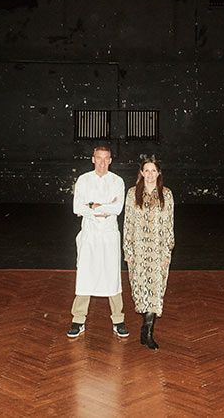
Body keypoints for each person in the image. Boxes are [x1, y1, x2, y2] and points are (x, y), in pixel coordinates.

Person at [67, 145, 129, 339]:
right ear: (93, 159)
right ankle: (78, 320)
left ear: (110, 160)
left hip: (109, 235)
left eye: (106, 158)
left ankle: (118, 320)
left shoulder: (117, 181)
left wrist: (93, 204)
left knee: (112, 275)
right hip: (90, 235)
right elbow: (77, 207)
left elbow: (117, 208)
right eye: (99, 158)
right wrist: (102, 207)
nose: (102, 162)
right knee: (85, 274)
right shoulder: (83, 180)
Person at [123, 155, 174, 350]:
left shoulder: (166, 194)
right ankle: (146, 326)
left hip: (158, 251)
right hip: (138, 250)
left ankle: (148, 330)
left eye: (154, 171)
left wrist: (167, 252)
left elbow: (170, 224)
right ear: (142, 173)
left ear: (158, 173)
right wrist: (128, 250)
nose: (150, 174)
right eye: (147, 171)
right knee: (141, 290)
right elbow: (127, 223)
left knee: (156, 291)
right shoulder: (132, 193)